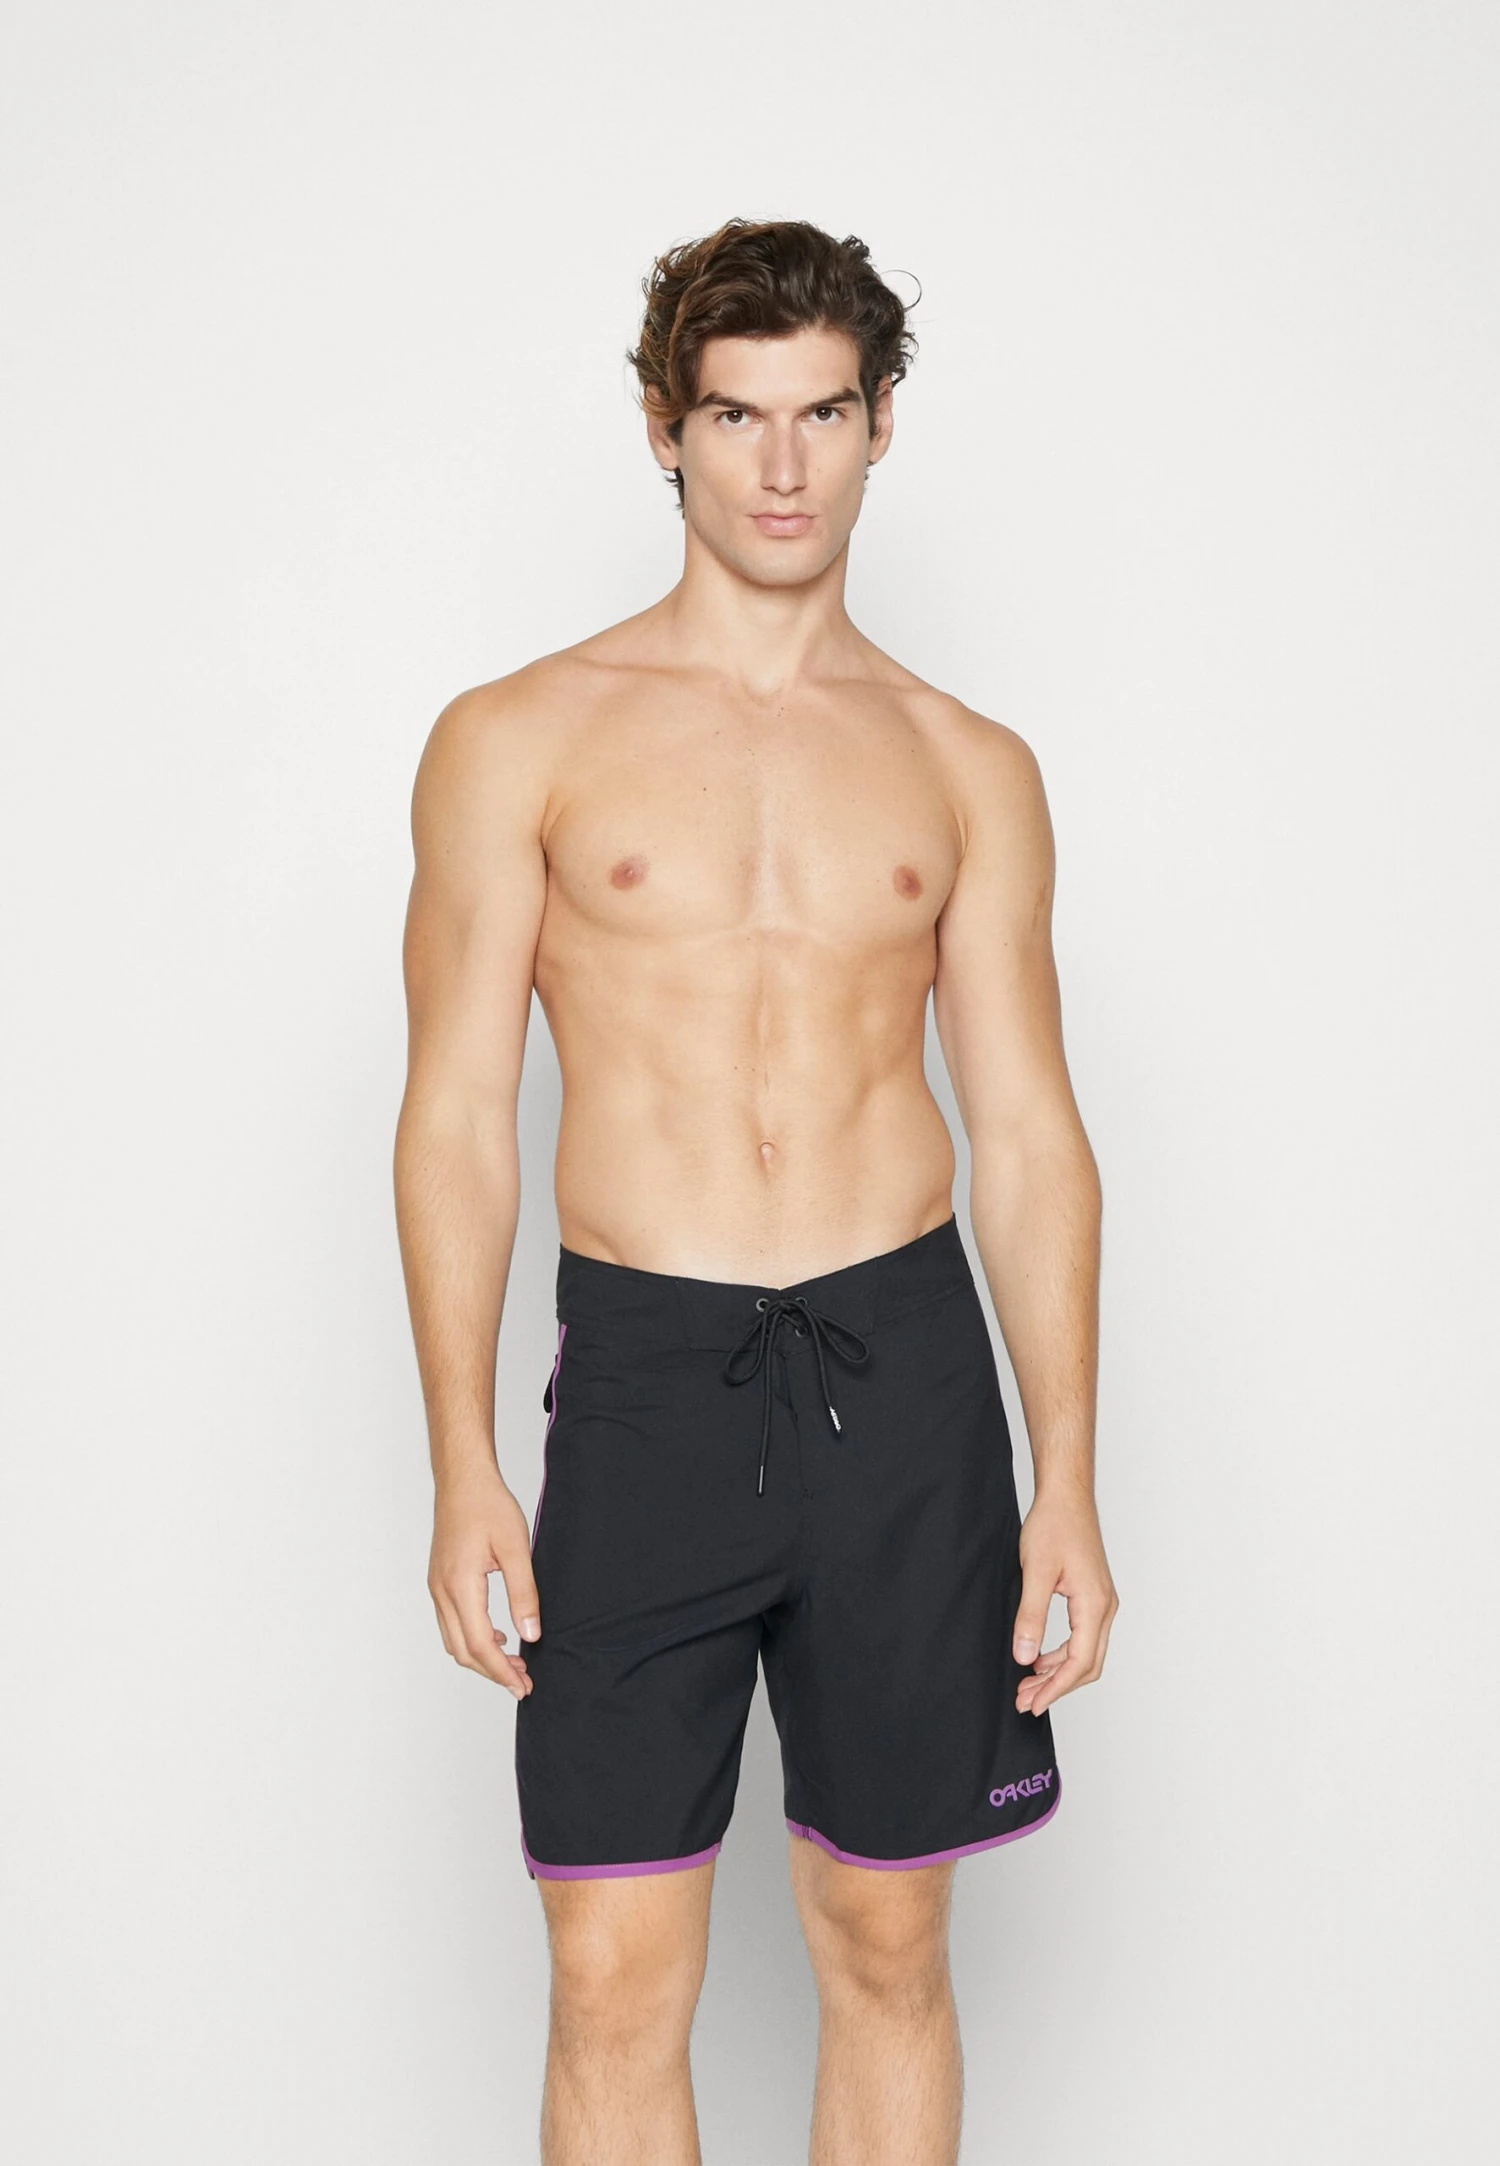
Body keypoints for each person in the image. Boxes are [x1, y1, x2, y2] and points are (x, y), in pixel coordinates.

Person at [393, 216, 1117, 2166]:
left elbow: (1030, 1132)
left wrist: (1066, 1472)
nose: (783, 467)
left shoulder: (968, 764)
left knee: (886, 1936)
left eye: (822, 415)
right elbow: (455, 1115)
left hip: (907, 1372)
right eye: (736, 417)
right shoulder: (519, 740)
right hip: (649, 1384)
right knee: (613, 1966)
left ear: (882, 424)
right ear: (666, 428)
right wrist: (463, 1458)